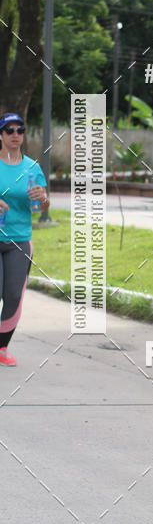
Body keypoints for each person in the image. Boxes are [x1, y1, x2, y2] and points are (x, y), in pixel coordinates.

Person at [0, 113, 49, 366]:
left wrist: (42, 196)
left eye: (20, 130)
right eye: (9, 130)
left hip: (20, 239)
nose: (15, 134)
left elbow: (42, 206)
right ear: (1, 134)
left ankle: (1, 347)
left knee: (13, 295)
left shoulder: (32, 167)